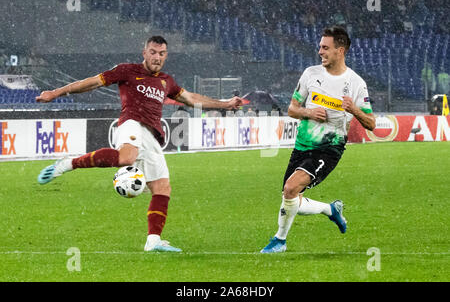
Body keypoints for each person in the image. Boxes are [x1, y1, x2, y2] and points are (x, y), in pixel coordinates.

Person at [36, 35, 243, 252]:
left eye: (161, 53)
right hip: (131, 123)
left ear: (166, 56)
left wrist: (225, 104)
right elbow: (93, 82)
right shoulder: (126, 70)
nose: (157, 57)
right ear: (144, 53)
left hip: (152, 135)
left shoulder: (167, 81)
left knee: (162, 187)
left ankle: (153, 241)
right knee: (126, 157)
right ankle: (67, 164)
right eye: (153, 52)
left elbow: (191, 99)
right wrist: (56, 93)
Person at [260, 26, 375, 253]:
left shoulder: (356, 83)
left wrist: (354, 109)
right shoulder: (310, 74)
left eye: (325, 48)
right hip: (302, 145)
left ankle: (279, 241)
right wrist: (309, 113)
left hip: (329, 148)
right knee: (290, 194)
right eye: (320, 47)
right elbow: (292, 108)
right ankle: (331, 210)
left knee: (291, 188)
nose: (320, 51)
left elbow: (371, 123)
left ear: (340, 51)